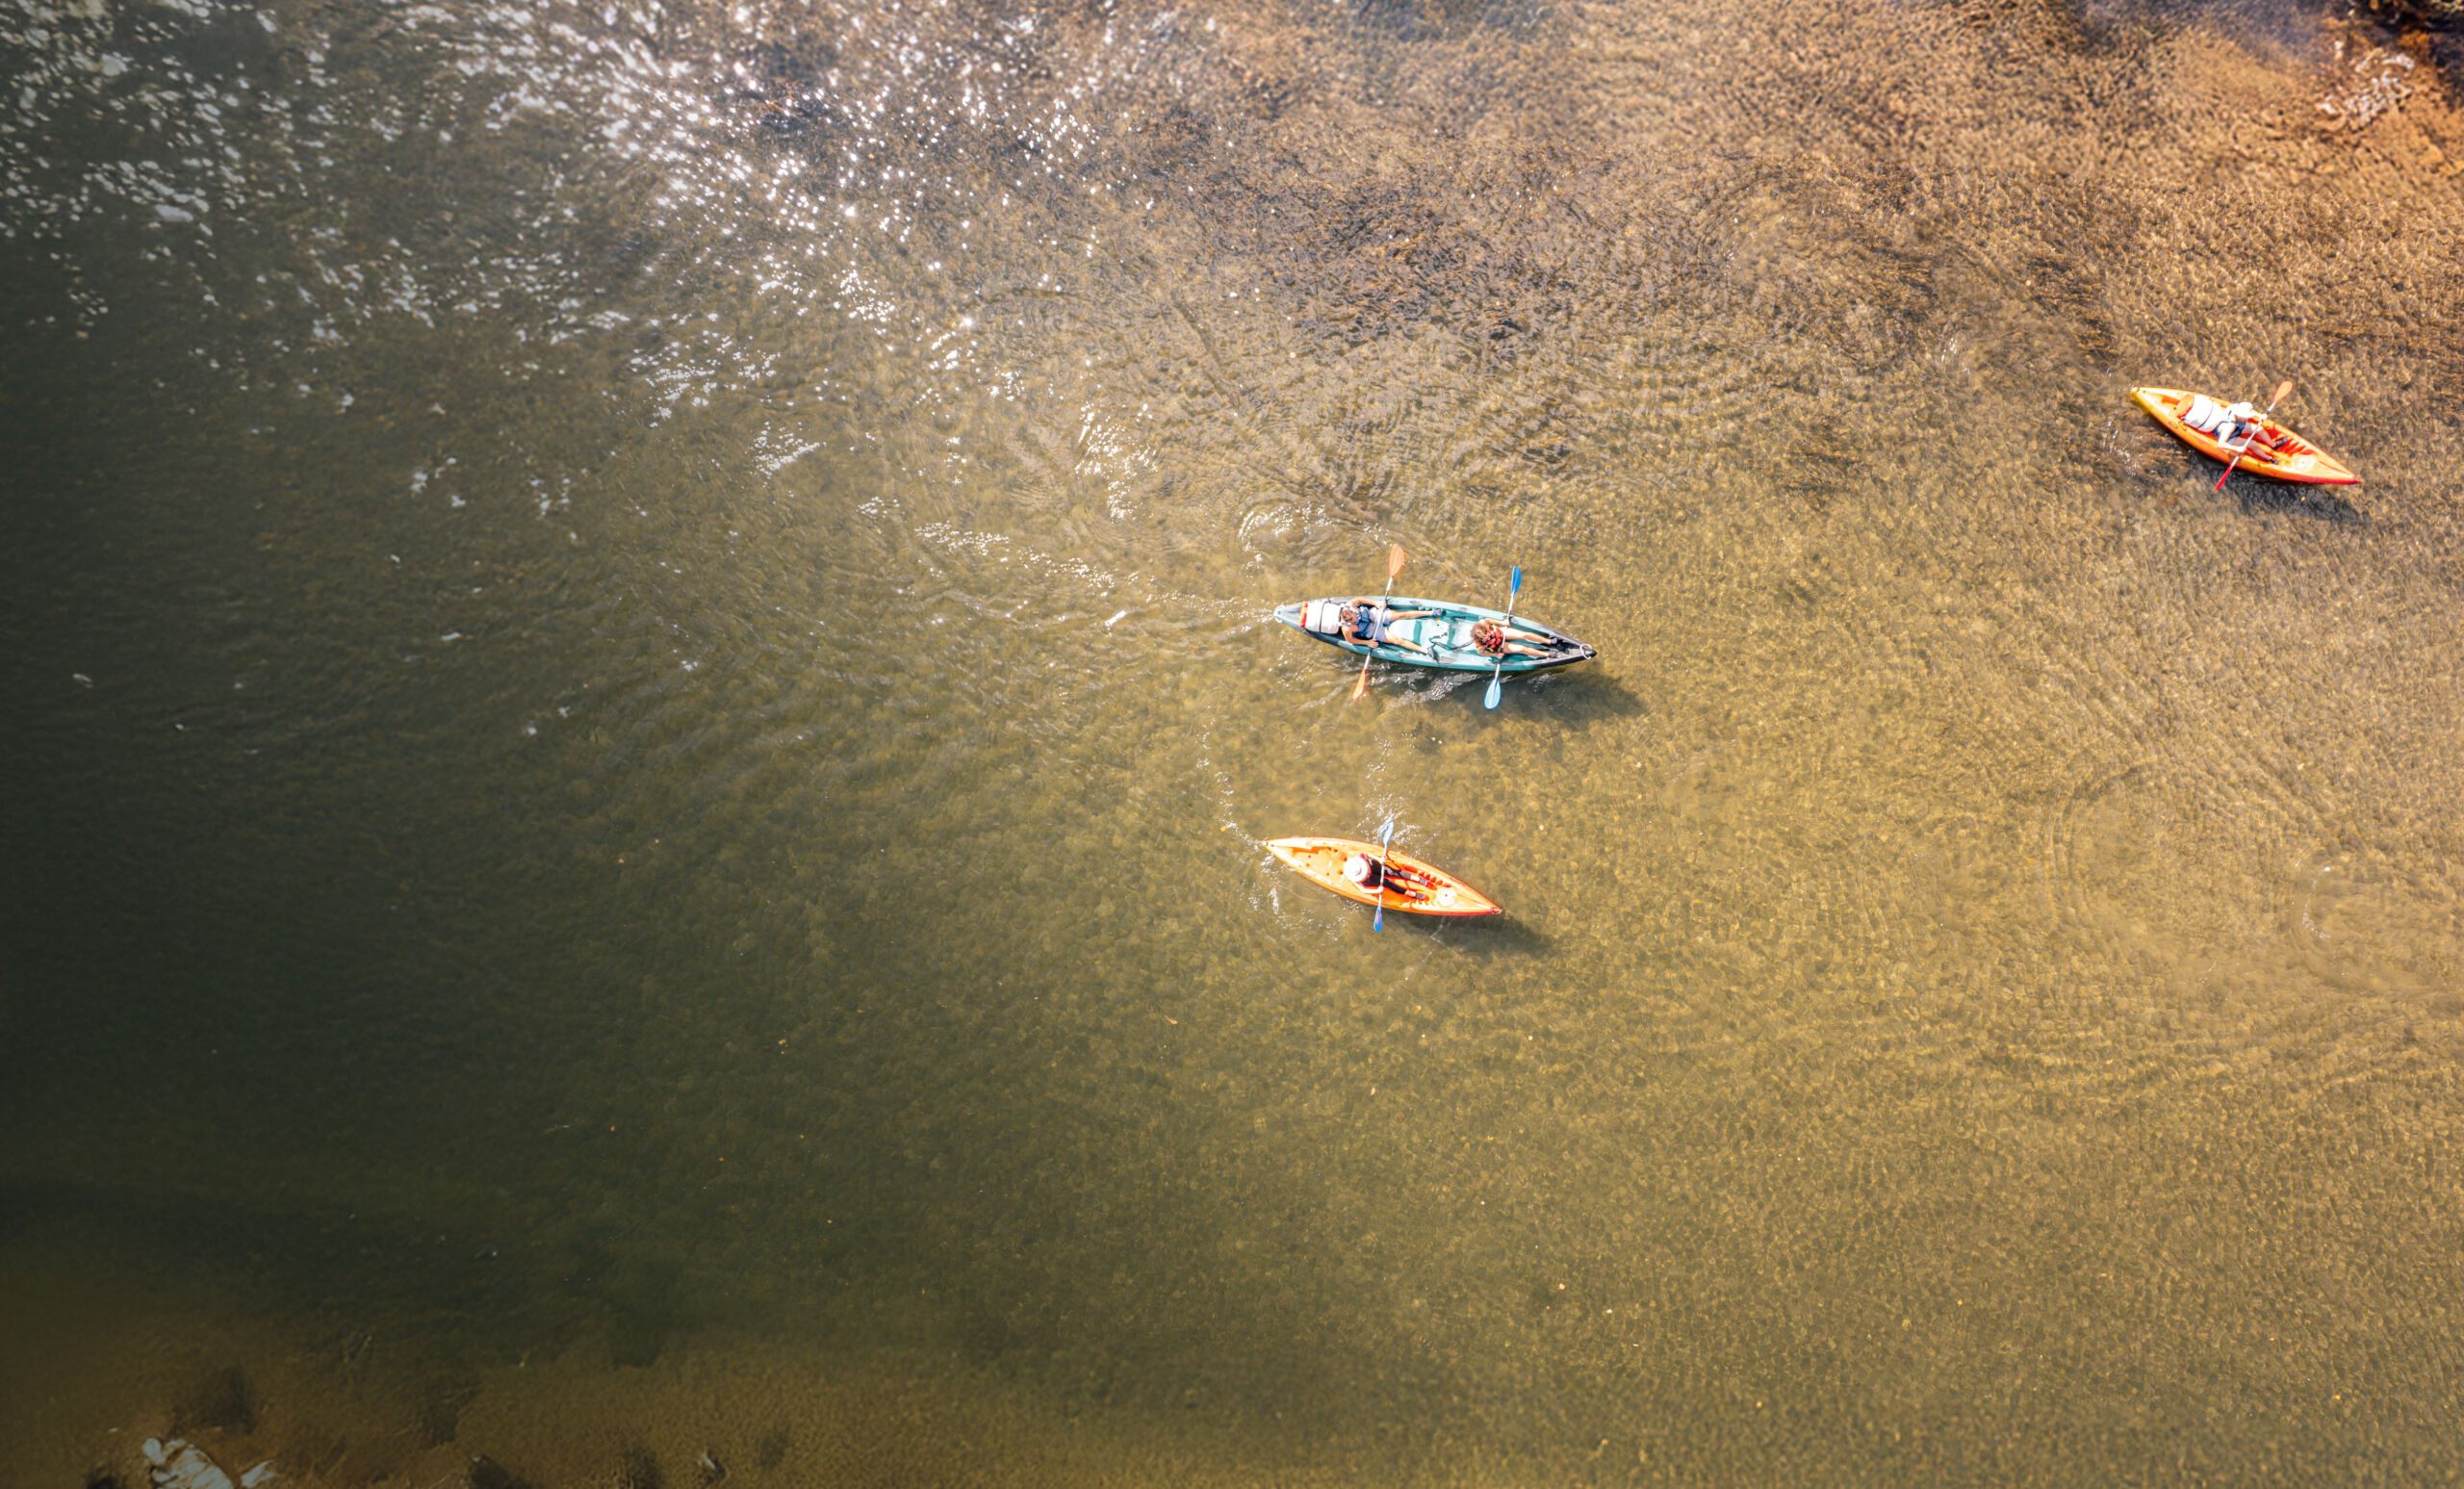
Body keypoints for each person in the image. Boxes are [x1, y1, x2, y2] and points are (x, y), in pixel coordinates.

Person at [1340, 599, 1437, 656]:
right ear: (1348, 622)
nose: (1356, 619)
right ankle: (1426, 651)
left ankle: (1431, 612)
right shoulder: (1346, 629)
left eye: (1355, 616)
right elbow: (1350, 640)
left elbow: (1360, 600)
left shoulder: (1350, 604)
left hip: (1376, 614)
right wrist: (1367, 642)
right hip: (1373, 631)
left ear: (1352, 611)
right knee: (1397, 641)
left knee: (1401, 615)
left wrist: (1375, 603)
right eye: (1353, 621)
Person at [1471, 617, 1553, 659]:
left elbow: (1489, 620)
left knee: (1524, 635)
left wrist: (1502, 622)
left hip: (1500, 633)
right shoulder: (1479, 644)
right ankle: (1546, 654)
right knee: (1521, 648)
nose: (1489, 636)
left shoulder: (1483, 623)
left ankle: (1548, 641)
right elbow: (1481, 653)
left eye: (1488, 633)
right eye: (1486, 638)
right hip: (1497, 645)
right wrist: (1495, 655)